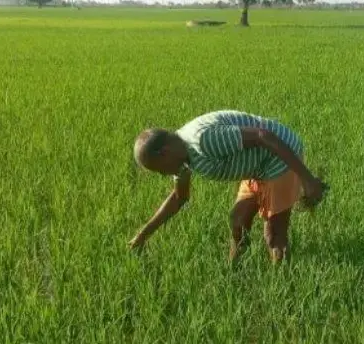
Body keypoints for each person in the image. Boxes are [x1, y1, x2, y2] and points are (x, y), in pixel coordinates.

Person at [129, 110, 326, 263]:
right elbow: (179, 197)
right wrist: (143, 234)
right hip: (255, 168)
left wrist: (307, 178)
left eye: (159, 170)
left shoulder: (203, 141)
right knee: (238, 220)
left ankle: (283, 289)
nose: (163, 174)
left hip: (278, 159)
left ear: (164, 153)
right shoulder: (181, 159)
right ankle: (235, 273)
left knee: (274, 236)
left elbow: (262, 135)